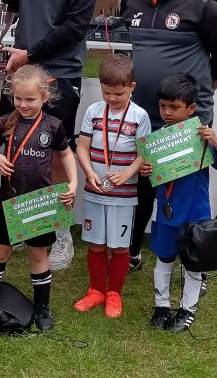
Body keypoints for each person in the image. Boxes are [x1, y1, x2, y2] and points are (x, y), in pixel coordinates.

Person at [124, 0, 217, 272]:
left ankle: (193, 254)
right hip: (145, 114)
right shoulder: (134, 3)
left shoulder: (202, 6)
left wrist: (205, 90)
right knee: (143, 183)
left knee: (186, 191)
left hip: (187, 119)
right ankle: (134, 251)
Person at [3, 0, 98, 271]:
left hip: (58, 72)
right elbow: (18, 3)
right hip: (24, 68)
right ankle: (26, 224)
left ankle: (59, 236)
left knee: (56, 153)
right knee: (22, 150)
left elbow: (76, 27)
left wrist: (31, 54)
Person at [0, 65, 77, 332]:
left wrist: (74, 182)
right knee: (0, 253)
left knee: (38, 255)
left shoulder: (53, 126)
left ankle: (42, 308)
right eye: (18, 98)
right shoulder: (5, 122)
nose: (23, 104)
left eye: (30, 99)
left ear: (45, 97)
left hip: (41, 203)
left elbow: (66, 155)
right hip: (10, 201)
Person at [142, 74, 217, 332]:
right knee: (163, 257)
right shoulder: (158, 138)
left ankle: (187, 308)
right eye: (162, 106)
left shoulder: (201, 137)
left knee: (193, 262)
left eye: (174, 107)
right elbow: (150, 175)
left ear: (191, 108)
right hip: (166, 212)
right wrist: (145, 171)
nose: (167, 112)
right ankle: (161, 305)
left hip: (195, 214)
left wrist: (216, 143)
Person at [73, 55, 150, 319]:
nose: (112, 98)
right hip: (95, 190)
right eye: (107, 92)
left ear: (132, 87)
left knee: (118, 246)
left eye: (119, 93)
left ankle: (114, 293)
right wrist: (89, 172)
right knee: (95, 244)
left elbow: (143, 154)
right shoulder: (93, 112)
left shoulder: (140, 116)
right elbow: (82, 147)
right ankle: (96, 290)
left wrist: (128, 173)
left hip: (124, 194)